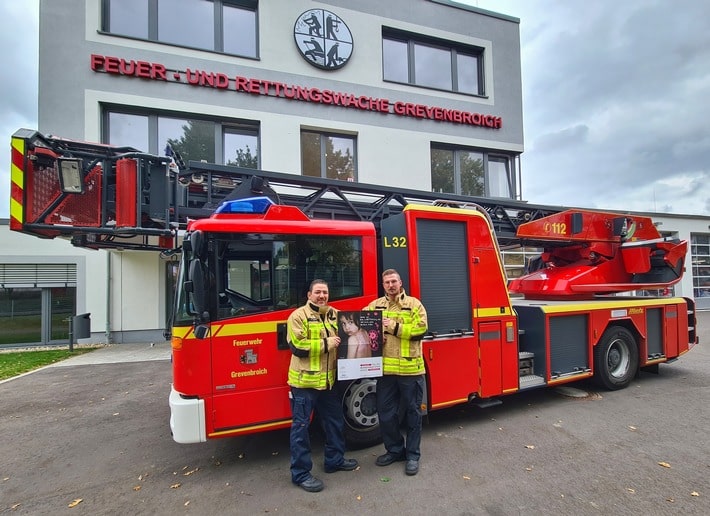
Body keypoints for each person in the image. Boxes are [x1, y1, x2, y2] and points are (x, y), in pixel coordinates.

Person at [286, 279, 359, 493]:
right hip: (304, 383)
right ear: (309, 295)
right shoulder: (298, 316)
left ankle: (334, 461)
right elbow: (297, 347)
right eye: (317, 292)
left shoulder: (334, 314)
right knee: (301, 429)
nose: (322, 296)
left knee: (335, 422)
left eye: (325, 292)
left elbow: (355, 327)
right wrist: (328, 343)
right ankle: (300, 474)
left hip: (328, 382)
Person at [365, 269, 428, 476]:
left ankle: (412, 455)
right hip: (386, 372)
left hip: (411, 370)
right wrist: (374, 335)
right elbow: (360, 324)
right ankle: (394, 450)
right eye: (387, 282)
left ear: (401, 283)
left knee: (413, 414)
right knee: (385, 414)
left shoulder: (414, 304)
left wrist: (392, 327)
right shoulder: (375, 306)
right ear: (383, 285)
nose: (391, 285)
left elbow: (420, 330)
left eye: (394, 281)